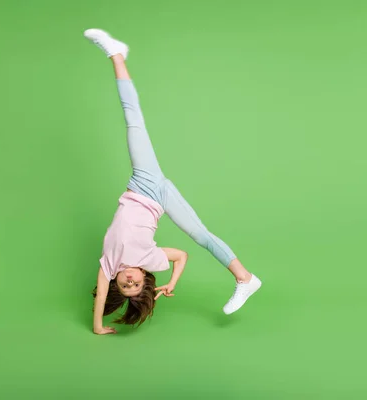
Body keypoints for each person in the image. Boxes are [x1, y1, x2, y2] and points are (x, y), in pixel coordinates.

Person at [85, 29, 262, 335]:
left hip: (144, 185)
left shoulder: (108, 265)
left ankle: (116, 54)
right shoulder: (150, 260)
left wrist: (99, 326)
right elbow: (182, 256)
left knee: (133, 120)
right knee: (202, 237)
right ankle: (245, 278)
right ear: (142, 275)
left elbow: (101, 295)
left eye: (126, 286)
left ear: (117, 281)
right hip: (157, 194)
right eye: (137, 284)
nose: (130, 282)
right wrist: (171, 283)